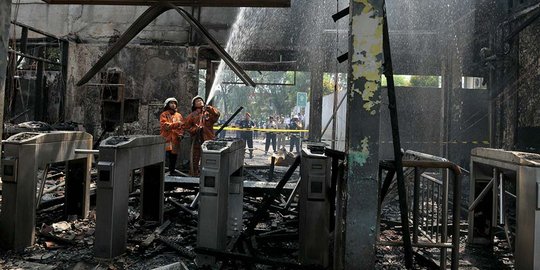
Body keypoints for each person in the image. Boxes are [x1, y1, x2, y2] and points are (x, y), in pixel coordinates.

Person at [183, 96, 220, 176]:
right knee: (195, 157)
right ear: (194, 105)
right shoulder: (192, 116)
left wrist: (210, 108)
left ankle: (209, 173)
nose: (200, 101)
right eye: (197, 101)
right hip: (197, 140)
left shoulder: (209, 114)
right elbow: (186, 127)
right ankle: (194, 173)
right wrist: (195, 129)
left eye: (201, 100)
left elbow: (216, 115)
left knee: (209, 157)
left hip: (208, 139)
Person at [159, 97, 184, 176]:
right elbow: (165, 125)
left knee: (174, 157)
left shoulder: (179, 115)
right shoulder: (164, 114)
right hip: (167, 139)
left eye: (174, 103)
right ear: (167, 105)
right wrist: (176, 124)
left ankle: (172, 172)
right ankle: (162, 172)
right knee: (165, 156)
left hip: (175, 140)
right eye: (171, 103)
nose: (173, 105)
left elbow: (182, 127)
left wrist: (181, 134)